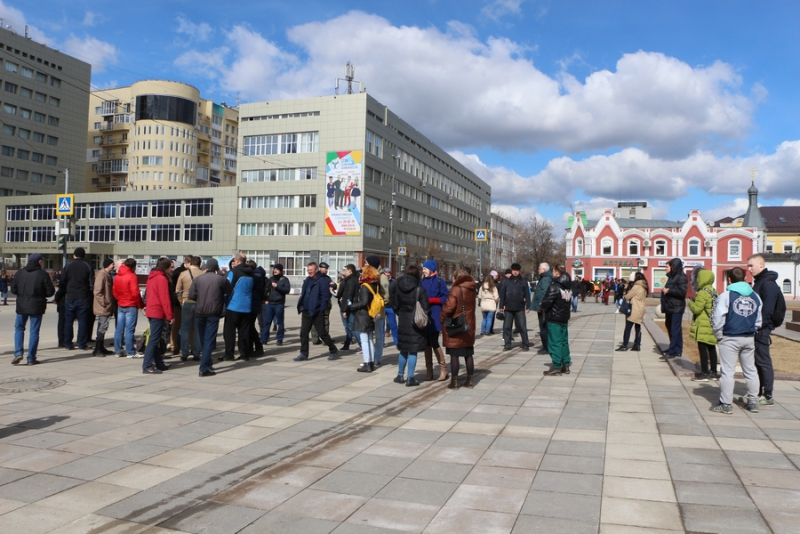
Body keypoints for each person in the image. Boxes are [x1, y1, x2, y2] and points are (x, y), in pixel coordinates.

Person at [709, 267, 762, 414]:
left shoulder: (726, 296)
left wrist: (718, 334)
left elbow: (718, 318)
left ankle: (726, 404)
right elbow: (758, 319)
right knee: (750, 370)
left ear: (729, 279)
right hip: (748, 337)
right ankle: (753, 401)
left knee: (727, 371)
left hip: (730, 336)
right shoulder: (755, 296)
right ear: (745, 278)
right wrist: (754, 329)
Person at [748, 253, 783, 407]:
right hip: (757, 327)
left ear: (761, 265)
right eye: (748, 266)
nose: (749, 269)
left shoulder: (767, 284)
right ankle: (759, 392)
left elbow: (767, 310)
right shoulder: (760, 282)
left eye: (751, 265)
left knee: (763, 361)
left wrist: (760, 327)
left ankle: (767, 394)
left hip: (762, 328)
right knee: (757, 361)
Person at [189, 258, 232, 377]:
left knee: (203, 339)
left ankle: (207, 362)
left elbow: (191, 295)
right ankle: (204, 368)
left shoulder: (198, 279)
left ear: (207, 267)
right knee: (209, 341)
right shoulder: (221, 279)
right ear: (216, 267)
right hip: (213, 312)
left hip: (199, 312)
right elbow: (229, 291)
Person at [11, 253, 55, 365]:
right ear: (39, 261)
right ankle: (31, 358)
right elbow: (50, 292)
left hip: (21, 305)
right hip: (37, 305)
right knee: (34, 331)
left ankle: (18, 353)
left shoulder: (19, 273)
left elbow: (13, 289)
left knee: (19, 328)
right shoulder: (42, 274)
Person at [391, 265, 430, 386]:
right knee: (413, 350)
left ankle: (400, 375)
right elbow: (426, 308)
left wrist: (401, 313)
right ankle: (410, 377)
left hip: (403, 320)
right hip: (416, 322)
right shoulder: (419, 289)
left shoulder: (398, 286)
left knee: (403, 349)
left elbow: (395, 304)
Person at [441, 268, 478, 389]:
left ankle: (455, 382)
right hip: (468, 325)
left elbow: (449, 307)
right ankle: (470, 380)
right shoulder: (472, 288)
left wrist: (442, 317)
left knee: (454, 354)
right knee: (468, 353)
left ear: (456, 278)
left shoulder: (456, 289)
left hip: (456, 325)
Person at [295, 262, 339, 361]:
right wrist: (301, 305)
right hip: (306, 311)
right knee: (303, 333)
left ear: (316, 270)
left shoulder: (322, 280)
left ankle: (333, 350)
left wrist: (321, 309)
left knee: (322, 333)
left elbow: (325, 297)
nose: (309, 272)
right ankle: (303, 354)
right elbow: (304, 294)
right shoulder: (307, 280)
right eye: (308, 270)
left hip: (316, 311)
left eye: (311, 270)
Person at [56, 247, 93, 351]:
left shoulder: (68, 266)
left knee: (68, 321)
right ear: (84, 256)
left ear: (74, 255)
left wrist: (62, 294)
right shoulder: (88, 266)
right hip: (83, 296)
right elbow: (91, 284)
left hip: (70, 296)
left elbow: (62, 282)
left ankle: (68, 343)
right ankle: (82, 343)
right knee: (82, 321)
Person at [142, 257, 174, 374]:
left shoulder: (152, 277)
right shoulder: (162, 279)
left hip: (151, 310)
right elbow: (165, 299)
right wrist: (170, 316)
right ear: (165, 268)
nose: (172, 269)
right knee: (154, 340)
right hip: (157, 312)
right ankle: (147, 366)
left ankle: (159, 364)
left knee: (155, 339)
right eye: (170, 267)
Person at [540, 265, 572, 376]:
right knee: (564, 342)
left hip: (554, 318)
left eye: (553, 271)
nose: (552, 273)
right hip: (564, 317)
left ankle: (557, 366)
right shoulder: (567, 286)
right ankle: (566, 364)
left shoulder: (555, 286)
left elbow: (547, 301)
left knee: (555, 342)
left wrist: (542, 306)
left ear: (557, 273)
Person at [349, 265, 381, 372]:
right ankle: (371, 362)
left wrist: (352, 306)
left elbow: (364, 302)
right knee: (370, 340)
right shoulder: (375, 284)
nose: (361, 274)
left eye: (362, 272)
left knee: (364, 340)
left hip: (364, 315)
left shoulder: (365, 286)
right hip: (372, 314)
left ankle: (367, 363)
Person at [421, 259, 449, 381]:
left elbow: (445, 296)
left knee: (434, 341)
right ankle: (429, 370)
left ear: (431, 270)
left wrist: (434, 301)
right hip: (424, 315)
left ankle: (443, 369)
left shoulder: (439, 281)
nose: (423, 271)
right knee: (426, 343)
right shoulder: (421, 282)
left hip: (436, 314)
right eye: (423, 269)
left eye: (425, 269)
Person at [688, 267, 718, 381]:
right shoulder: (714, 291)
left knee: (702, 349)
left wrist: (691, 303)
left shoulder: (702, 293)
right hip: (712, 324)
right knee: (712, 348)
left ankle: (704, 372)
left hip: (703, 325)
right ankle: (714, 372)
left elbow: (697, 309)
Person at [224, 253, 254, 362]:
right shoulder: (251, 273)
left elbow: (227, 287)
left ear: (237, 260)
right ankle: (244, 354)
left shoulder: (234, 272)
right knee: (244, 332)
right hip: (246, 306)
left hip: (233, 305)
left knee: (230, 332)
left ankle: (229, 354)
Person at [112, 259, 144, 357]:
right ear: (133, 267)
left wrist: (119, 299)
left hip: (121, 304)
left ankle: (118, 350)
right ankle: (130, 351)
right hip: (131, 304)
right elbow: (135, 293)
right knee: (129, 329)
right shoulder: (132, 276)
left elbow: (114, 291)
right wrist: (140, 305)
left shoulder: (117, 276)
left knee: (119, 329)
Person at [176, 255, 203, 361]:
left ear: (190, 263)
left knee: (185, 329)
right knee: (197, 329)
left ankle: (184, 353)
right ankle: (196, 353)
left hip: (186, 303)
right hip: (199, 303)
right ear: (199, 264)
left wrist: (181, 301)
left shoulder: (183, 274)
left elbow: (178, 291)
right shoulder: (203, 274)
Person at [364, 255, 390, 367]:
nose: (365, 264)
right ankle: (369, 357)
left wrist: (379, 304)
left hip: (378, 311)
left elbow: (386, 295)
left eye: (366, 262)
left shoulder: (382, 276)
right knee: (368, 334)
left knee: (379, 335)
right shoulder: (367, 275)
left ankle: (377, 358)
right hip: (368, 310)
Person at [500, 263, 531, 352]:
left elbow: (527, 294)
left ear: (519, 271)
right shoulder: (507, 281)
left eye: (517, 270)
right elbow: (502, 294)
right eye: (513, 270)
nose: (515, 272)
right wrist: (501, 305)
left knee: (522, 327)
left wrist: (528, 305)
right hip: (508, 307)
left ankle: (525, 344)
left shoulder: (523, 281)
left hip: (519, 307)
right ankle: (507, 344)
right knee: (507, 327)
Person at [661, 258, 688, 359]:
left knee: (674, 329)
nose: (665, 268)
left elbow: (682, 292)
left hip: (677, 307)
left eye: (667, 266)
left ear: (674, 267)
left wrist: (668, 291)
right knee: (670, 326)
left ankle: (672, 351)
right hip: (670, 306)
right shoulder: (672, 277)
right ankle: (676, 349)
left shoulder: (681, 277)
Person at [92, 258, 116, 357]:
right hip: (103, 307)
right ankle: (98, 348)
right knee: (102, 326)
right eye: (112, 264)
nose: (114, 266)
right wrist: (105, 303)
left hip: (106, 306)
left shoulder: (107, 275)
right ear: (108, 265)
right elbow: (97, 291)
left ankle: (100, 347)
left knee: (103, 326)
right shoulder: (102, 275)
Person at [263, 263, 291, 346]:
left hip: (279, 304)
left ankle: (279, 340)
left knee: (280, 323)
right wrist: (265, 299)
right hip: (270, 304)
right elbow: (266, 290)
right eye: (274, 269)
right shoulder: (270, 279)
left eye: (277, 269)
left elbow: (287, 290)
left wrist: (277, 286)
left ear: (281, 271)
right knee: (267, 322)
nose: (275, 271)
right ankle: (264, 339)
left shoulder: (284, 279)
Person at [169, 256, 190, 356]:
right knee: (179, 326)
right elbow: (176, 290)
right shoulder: (181, 273)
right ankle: (176, 346)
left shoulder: (178, 272)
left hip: (178, 302)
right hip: (179, 303)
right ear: (187, 263)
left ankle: (175, 346)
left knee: (177, 326)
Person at [336, 264, 361, 351]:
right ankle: (347, 345)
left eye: (346, 270)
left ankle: (361, 344)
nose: (345, 272)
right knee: (349, 327)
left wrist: (345, 309)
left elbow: (349, 295)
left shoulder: (351, 281)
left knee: (352, 327)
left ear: (350, 271)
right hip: (351, 306)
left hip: (350, 307)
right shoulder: (352, 279)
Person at [529, 263, 552, 354]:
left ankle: (546, 347)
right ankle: (546, 346)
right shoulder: (544, 277)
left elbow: (544, 293)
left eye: (539, 268)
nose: (538, 270)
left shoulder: (545, 279)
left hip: (543, 308)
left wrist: (540, 306)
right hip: (543, 307)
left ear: (544, 269)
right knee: (544, 327)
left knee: (543, 327)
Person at [311, 262, 335, 346]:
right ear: (320, 268)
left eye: (327, 268)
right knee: (316, 320)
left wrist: (333, 285)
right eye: (325, 268)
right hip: (317, 302)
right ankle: (315, 339)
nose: (327, 270)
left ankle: (325, 339)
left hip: (326, 302)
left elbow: (334, 284)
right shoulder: (315, 277)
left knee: (325, 320)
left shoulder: (327, 278)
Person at [248, 260, 266, 355]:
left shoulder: (256, 276)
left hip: (253, 304)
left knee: (250, 326)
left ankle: (258, 347)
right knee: (250, 327)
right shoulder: (257, 275)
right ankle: (251, 348)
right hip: (253, 303)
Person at [383, 267, 399, 346]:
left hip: (390, 307)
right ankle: (381, 342)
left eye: (389, 272)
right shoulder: (381, 282)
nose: (387, 274)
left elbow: (396, 295)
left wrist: (395, 306)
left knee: (393, 325)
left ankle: (397, 342)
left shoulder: (394, 282)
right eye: (386, 272)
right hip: (382, 306)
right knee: (381, 326)